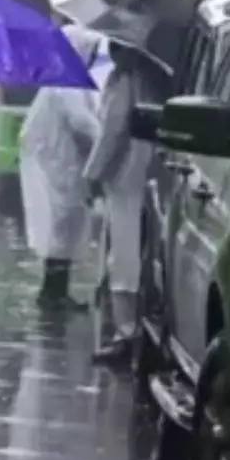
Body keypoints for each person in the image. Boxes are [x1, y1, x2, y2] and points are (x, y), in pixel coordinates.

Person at [83, 30, 172, 365]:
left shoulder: (126, 80)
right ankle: (139, 328)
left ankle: (126, 334)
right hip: (154, 175)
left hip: (127, 177)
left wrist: (92, 174)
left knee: (123, 256)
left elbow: (113, 130)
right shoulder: (159, 77)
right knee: (142, 253)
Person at [19, 26, 107, 311]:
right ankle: (53, 294)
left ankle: (55, 292)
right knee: (61, 228)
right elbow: (81, 123)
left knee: (63, 229)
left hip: (61, 164)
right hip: (57, 166)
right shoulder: (67, 84)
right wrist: (106, 143)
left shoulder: (67, 80)